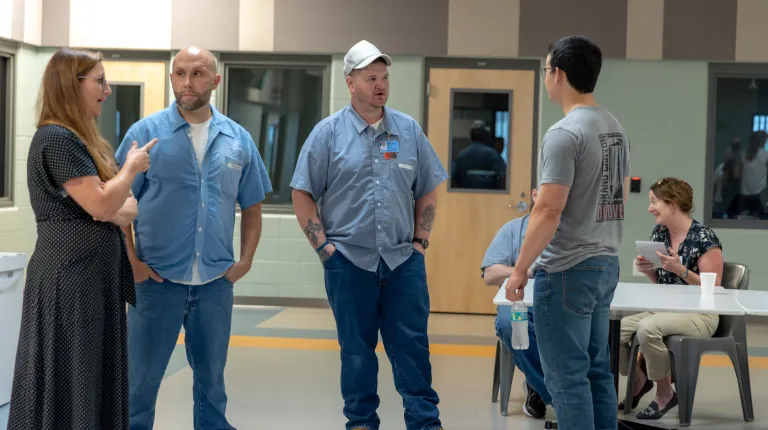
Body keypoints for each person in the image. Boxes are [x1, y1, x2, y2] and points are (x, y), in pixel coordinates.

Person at [290, 40, 448, 430]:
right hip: (349, 262)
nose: (380, 85)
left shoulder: (408, 130)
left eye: (384, 77)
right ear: (351, 83)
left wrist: (420, 241)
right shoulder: (327, 134)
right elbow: (302, 191)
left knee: (412, 348)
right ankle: (361, 423)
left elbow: (429, 185)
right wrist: (324, 248)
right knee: (357, 353)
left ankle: (426, 424)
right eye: (371, 78)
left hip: (402, 261)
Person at [115, 46, 272, 430]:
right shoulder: (144, 135)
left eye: (198, 73)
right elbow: (117, 203)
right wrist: (131, 262)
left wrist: (246, 260)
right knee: (138, 388)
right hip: (155, 283)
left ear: (215, 81)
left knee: (212, 389)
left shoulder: (238, 139)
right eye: (180, 73)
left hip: (215, 285)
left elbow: (252, 207)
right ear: (171, 77)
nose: (188, 82)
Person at [8, 48, 156, 429]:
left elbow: (120, 207)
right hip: (71, 281)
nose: (107, 90)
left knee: (90, 372)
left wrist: (110, 202)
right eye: (100, 81)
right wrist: (131, 169)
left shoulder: (80, 141)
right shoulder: (57, 139)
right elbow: (108, 206)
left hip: (91, 279)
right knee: (74, 372)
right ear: (71, 85)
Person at [503, 35, 631, 430]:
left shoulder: (564, 133)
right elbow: (618, 194)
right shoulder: (615, 128)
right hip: (606, 263)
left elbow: (548, 209)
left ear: (558, 74)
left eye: (545, 70)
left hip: (567, 270)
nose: (546, 78)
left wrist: (520, 269)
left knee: (566, 377)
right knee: (596, 371)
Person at [619, 178, 723, 420]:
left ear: (673, 204)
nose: (650, 208)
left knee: (647, 328)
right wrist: (648, 270)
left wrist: (680, 269)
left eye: (654, 202)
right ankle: (640, 380)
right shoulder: (660, 233)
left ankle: (664, 394)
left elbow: (715, 289)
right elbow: (665, 284)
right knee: (613, 329)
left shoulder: (704, 238)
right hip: (666, 310)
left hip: (701, 313)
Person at [481, 188, 552, 419]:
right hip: (520, 304)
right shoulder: (513, 229)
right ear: (534, 195)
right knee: (508, 323)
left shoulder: (569, 232)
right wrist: (524, 271)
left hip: (558, 302)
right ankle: (553, 393)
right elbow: (490, 273)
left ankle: (538, 386)